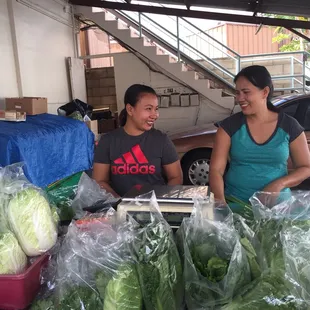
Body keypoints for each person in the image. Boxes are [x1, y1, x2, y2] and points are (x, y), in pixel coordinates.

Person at [209, 65, 310, 208]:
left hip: (278, 209)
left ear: (265, 92)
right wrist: (220, 203)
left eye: (246, 92)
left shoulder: (289, 126)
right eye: (237, 93)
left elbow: (306, 167)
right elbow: (216, 170)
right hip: (237, 206)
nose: (240, 98)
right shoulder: (229, 127)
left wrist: (278, 184)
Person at [93, 84, 183, 197]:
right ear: (130, 109)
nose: (155, 115)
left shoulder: (161, 141)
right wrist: (121, 204)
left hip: (155, 209)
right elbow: (100, 181)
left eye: (156, 109)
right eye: (148, 109)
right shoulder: (107, 142)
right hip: (120, 210)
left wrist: (161, 201)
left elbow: (176, 177)